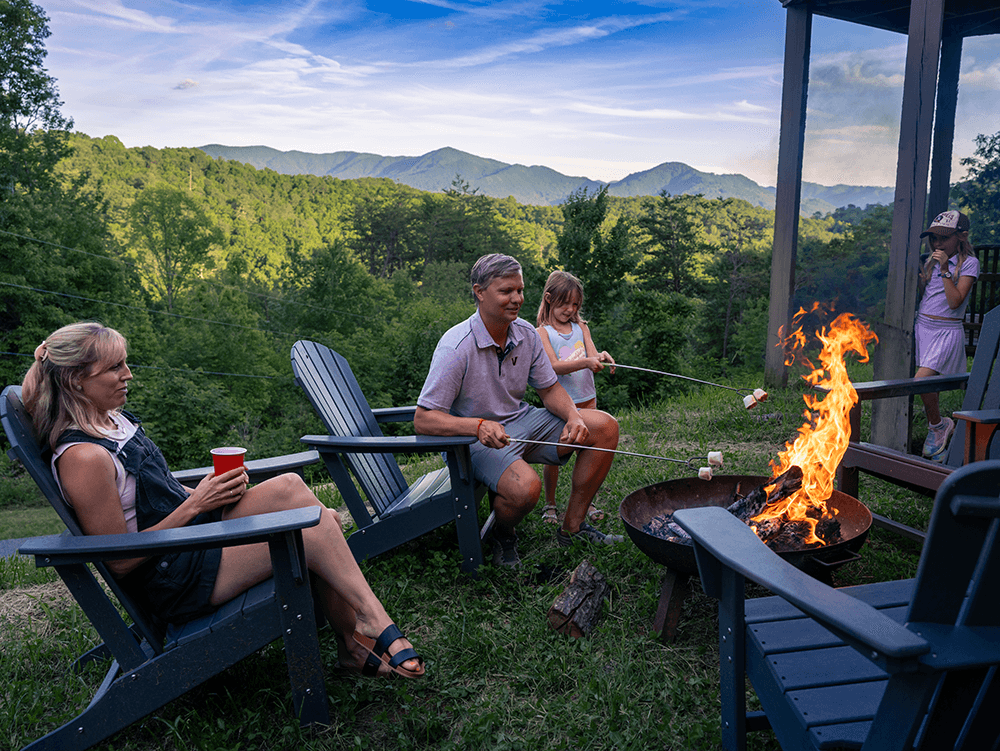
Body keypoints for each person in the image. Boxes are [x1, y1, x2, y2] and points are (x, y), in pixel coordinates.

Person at [21, 322, 423, 679]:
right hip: (174, 576)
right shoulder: (83, 457)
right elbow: (120, 561)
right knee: (315, 528)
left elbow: (149, 493)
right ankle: (371, 623)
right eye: (114, 368)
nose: (128, 375)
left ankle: (356, 644)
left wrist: (204, 494)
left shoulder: (111, 421)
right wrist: (195, 506)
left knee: (288, 487)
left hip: (192, 544)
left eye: (125, 363)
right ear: (75, 380)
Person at [414, 254, 623, 568]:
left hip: (521, 421)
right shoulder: (456, 347)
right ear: (479, 292)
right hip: (472, 439)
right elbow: (423, 419)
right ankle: (503, 533)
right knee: (526, 488)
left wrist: (574, 416)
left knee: (605, 426)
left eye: (520, 290)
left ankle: (573, 528)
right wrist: (477, 426)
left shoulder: (525, 334)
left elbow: (550, 389)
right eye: (506, 291)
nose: (517, 299)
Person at [535, 270, 615, 526]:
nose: (570, 310)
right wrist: (586, 362)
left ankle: (587, 501)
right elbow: (553, 366)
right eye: (564, 304)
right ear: (549, 298)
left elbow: (592, 355)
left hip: (587, 399)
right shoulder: (543, 333)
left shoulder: (581, 327)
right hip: (561, 406)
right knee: (555, 457)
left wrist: (601, 356)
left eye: (575, 305)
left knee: (588, 452)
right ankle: (550, 504)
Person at [915, 210, 978, 461]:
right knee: (929, 384)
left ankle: (938, 426)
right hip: (924, 326)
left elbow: (954, 302)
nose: (937, 244)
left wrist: (944, 269)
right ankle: (938, 429)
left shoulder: (969, 264)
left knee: (921, 381)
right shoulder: (932, 259)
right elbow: (930, 298)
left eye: (943, 238)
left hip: (946, 330)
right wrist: (927, 275)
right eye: (933, 238)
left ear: (961, 236)